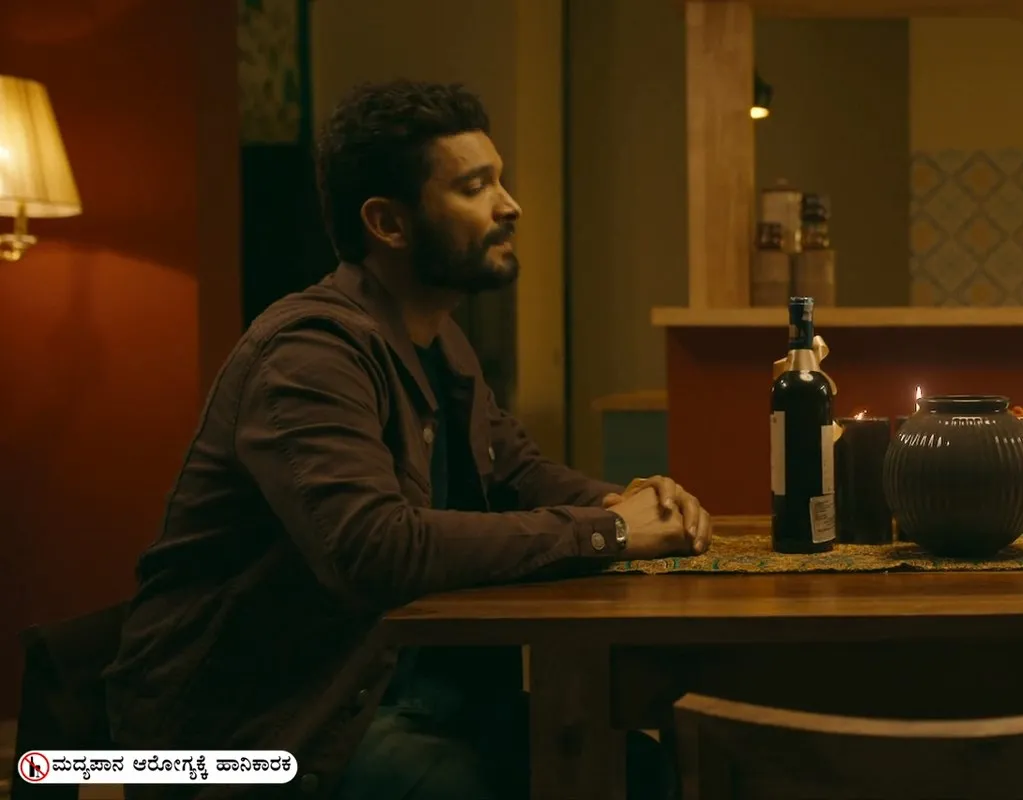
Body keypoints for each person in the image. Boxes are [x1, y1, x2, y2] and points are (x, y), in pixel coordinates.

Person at [102, 79, 712, 799]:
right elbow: (374, 547)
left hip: (391, 691)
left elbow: (516, 471)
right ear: (388, 223)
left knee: (635, 768)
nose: (510, 205)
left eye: (500, 180)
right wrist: (610, 532)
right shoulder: (310, 354)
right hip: (264, 724)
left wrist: (636, 501)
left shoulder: (438, 340)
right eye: (475, 187)